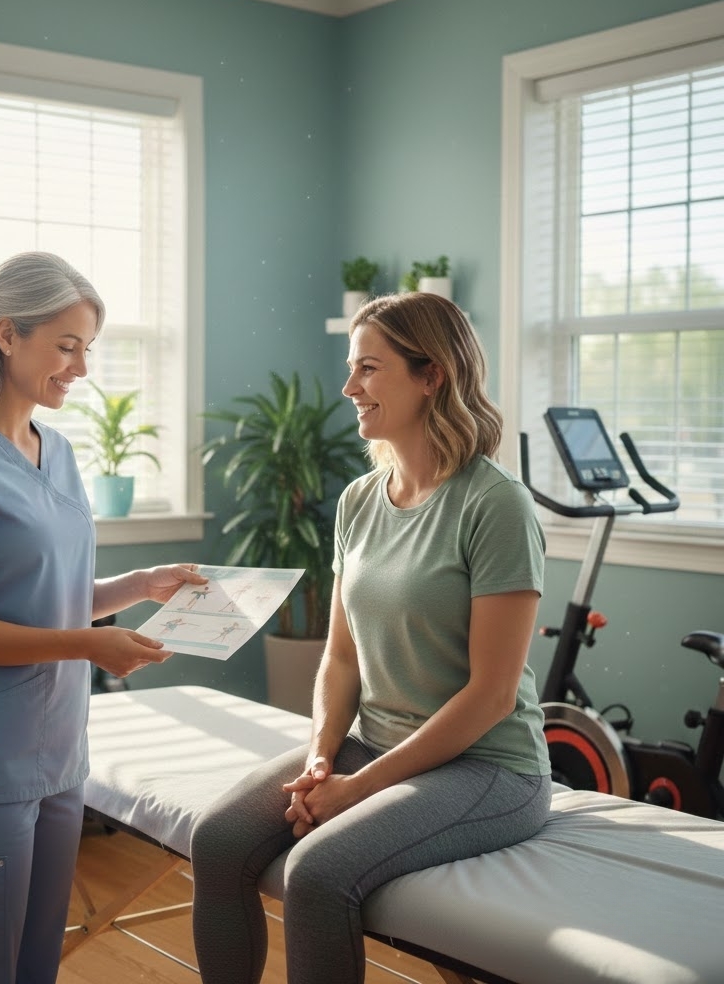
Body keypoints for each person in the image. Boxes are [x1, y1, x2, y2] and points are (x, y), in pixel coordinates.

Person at [190, 292, 551, 984]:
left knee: (318, 872)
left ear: (431, 375)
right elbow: (342, 657)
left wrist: (357, 792)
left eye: (369, 369)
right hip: (375, 743)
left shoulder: (494, 504)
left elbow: (492, 695)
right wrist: (324, 759)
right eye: (352, 368)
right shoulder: (360, 500)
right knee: (220, 839)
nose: (350, 388)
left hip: (489, 768)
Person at [0, 251, 206, 984]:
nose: (81, 367)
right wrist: (90, 647)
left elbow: (47, 591)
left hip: (62, 758)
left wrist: (140, 583)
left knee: (37, 967)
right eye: (66, 346)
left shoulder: (55, 451)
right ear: (8, 335)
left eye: (86, 349)